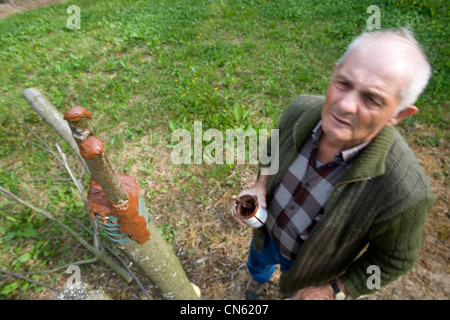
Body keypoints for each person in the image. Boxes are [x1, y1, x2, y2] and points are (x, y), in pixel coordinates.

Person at [231, 28, 434, 300]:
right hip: (265, 233)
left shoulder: (405, 192)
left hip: (309, 269)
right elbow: (273, 149)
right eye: (344, 83)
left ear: (398, 114)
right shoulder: (298, 110)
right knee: (258, 264)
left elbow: (393, 260)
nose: (346, 105)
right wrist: (261, 184)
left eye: (372, 99)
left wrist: (334, 290)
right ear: (335, 72)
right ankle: (258, 281)